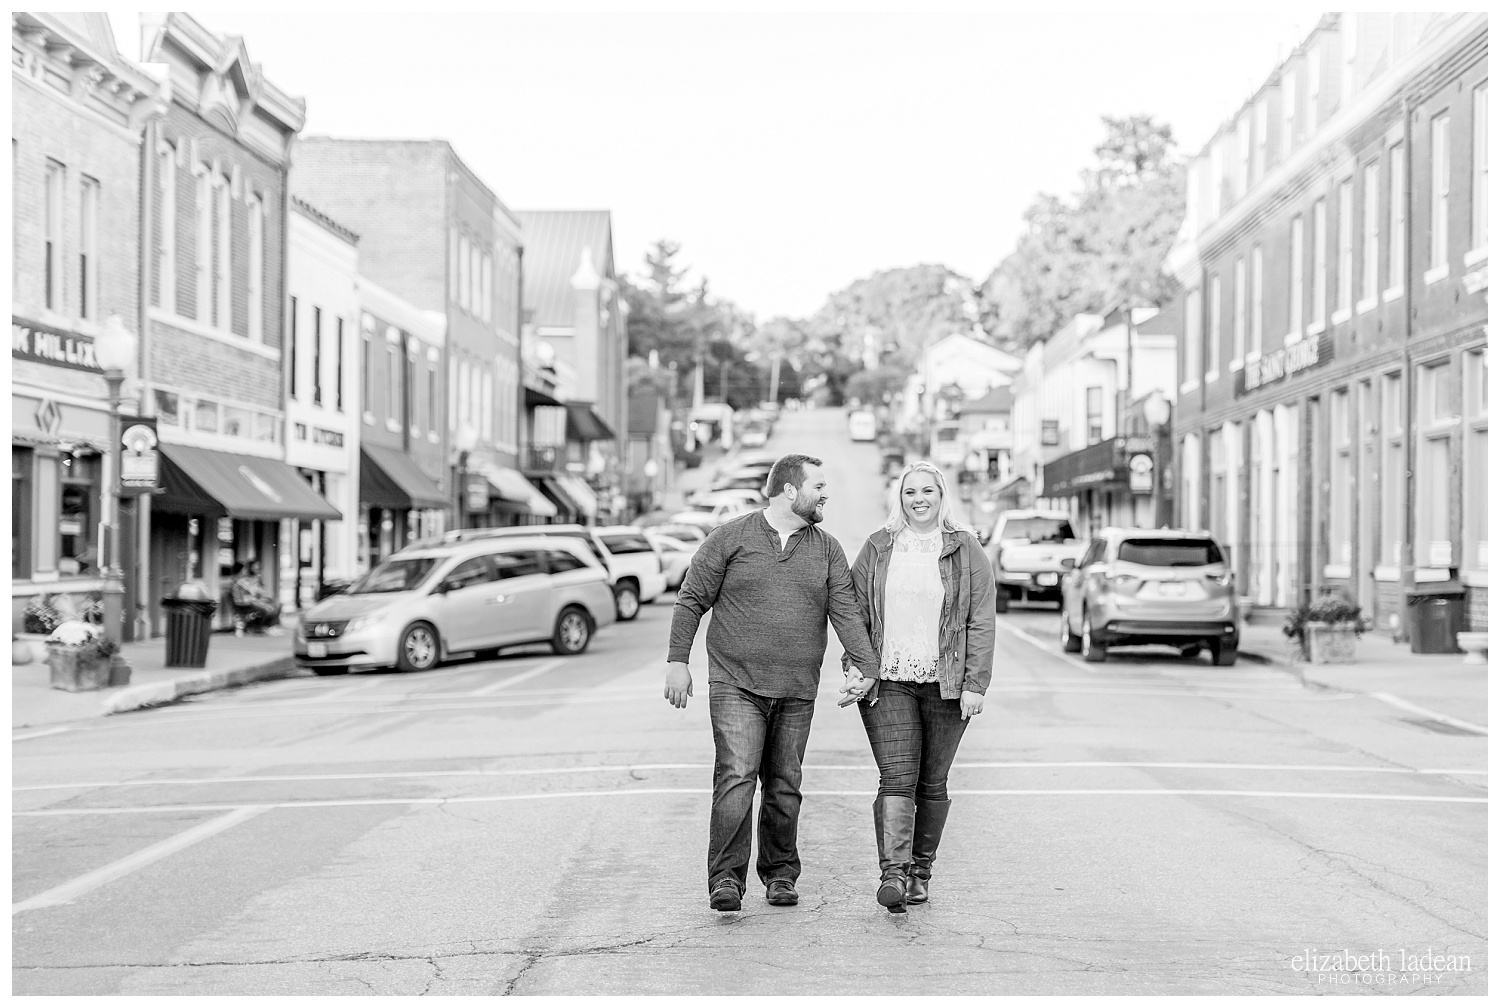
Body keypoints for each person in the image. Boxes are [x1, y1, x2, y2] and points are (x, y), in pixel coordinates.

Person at [665, 453, 881, 913]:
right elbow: (690, 601)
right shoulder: (729, 537)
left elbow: (844, 611)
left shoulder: (827, 549)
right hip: (735, 682)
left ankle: (780, 874)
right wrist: (677, 662)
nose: (825, 494)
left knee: (784, 785)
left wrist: (867, 666)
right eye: (818, 486)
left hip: (797, 687)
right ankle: (725, 879)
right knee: (737, 777)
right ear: (789, 490)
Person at [838, 461, 994, 914]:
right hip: (888, 680)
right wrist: (855, 664)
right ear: (899, 497)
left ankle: (920, 871)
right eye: (910, 492)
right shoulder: (878, 546)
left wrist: (975, 683)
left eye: (928, 490)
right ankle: (894, 874)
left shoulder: (966, 548)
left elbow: (981, 619)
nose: (919, 499)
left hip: (947, 683)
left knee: (932, 782)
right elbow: (853, 612)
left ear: (942, 495)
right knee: (896, 778)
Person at [230, 560, 283, 637]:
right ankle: (261, 627)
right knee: (265, 609)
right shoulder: (239, 581)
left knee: (274, 604)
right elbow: (249, 593)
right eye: (244, 570)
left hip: (250, 601)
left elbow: (255, 592)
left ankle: (270, 626)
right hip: (244, 603)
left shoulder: (245, 580)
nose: (245, 571)